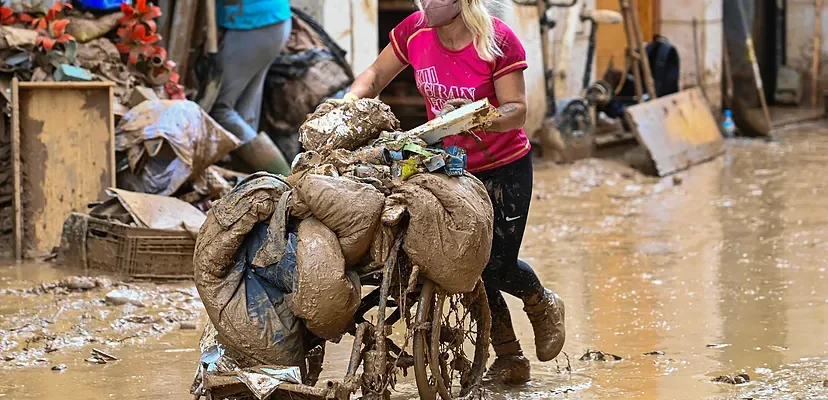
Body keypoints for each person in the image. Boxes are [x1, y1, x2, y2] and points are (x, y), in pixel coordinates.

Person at [341, 0, 565, 384]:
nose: (426, 2)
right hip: (452, 166)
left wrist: (480, 115)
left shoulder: (497, 40)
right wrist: (344, 106)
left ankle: (540, 301)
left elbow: (518, 111)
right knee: (464, 264)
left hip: (505, 166)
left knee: (497, 262)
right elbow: (376, 75)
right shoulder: (414, 30)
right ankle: (510, 356)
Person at [212, 0, 292, 175]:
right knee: (244, 112)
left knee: (219, 108)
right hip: (275, 19)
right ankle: (261, 184)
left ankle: (286, 179)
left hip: (250, 24)